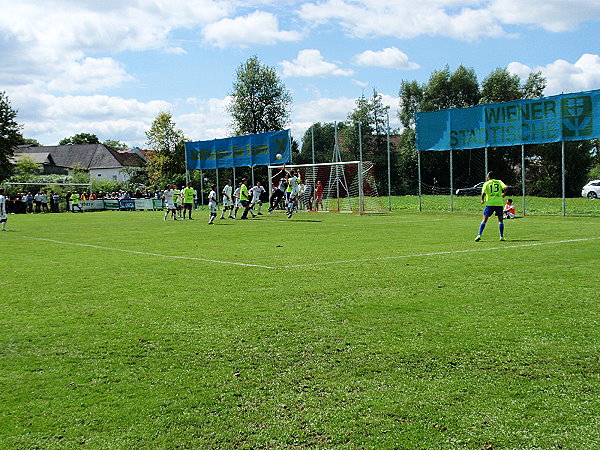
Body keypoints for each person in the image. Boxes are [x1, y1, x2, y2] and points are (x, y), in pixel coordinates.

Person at [475, 171, 507, 242]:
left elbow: (483, 193)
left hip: (490, 203)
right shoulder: (499, 182)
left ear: (488, 177)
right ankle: (501, 236)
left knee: (484, 220)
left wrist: (482, 200)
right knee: (500, 220)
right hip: (499, 203)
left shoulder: (486, 183)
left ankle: (479, 235)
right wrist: (504, 194)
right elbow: (505, 188)